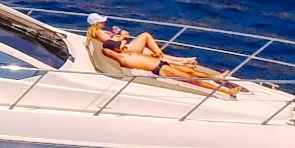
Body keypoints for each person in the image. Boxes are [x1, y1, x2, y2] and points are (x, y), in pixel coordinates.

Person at [87, 14, 242, 96]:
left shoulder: (125, 54)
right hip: (159, 70)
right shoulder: (121, 56)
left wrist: (118, 40)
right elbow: (108, 48)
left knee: (190, 72)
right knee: (192, 80)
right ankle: (226, 91)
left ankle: (217, 78)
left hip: (158, 64)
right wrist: (119, 40)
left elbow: (112, 45)